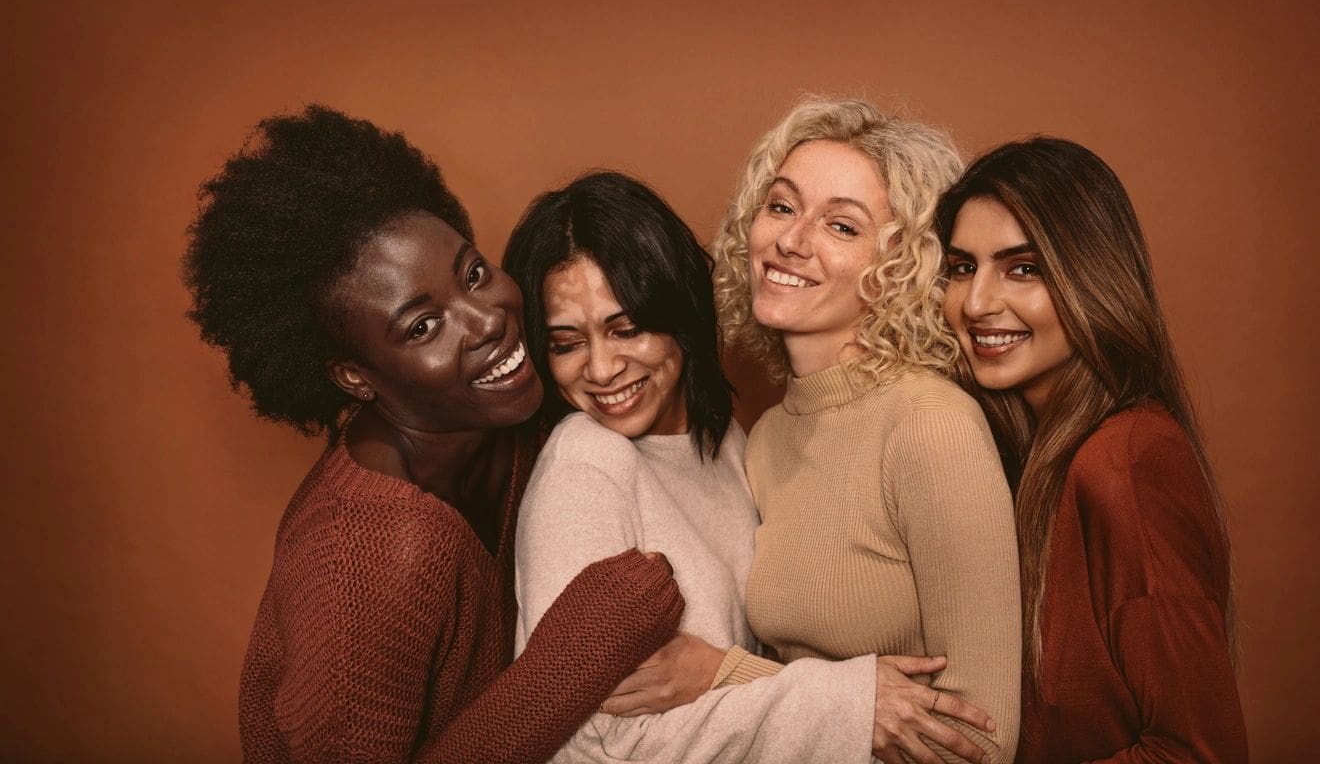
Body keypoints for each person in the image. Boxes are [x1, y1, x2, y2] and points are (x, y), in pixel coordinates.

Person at [182, 105, 684, 764]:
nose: (485, 321)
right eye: (422, 327)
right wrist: (569, 659)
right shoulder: (372, 557)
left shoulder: (513, 420)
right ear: (356, 378)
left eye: (472, 274)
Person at [503, 171, 996, 764]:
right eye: (566, 343)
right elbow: (597, 743)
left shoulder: (734, 446)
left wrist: (731, 674)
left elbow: (730, 677)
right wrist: (849, 703)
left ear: (679, 311)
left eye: (626, 328)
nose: (603, 369)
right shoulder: (585, 461)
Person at [713, 98, 1022, 764]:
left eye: (841, 226)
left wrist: (719, 675)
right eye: (781, 206)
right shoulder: (766, 437)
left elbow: (979, 742)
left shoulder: (929, 427)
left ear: (902, 265)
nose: (791, 241)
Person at [935, 137, 1247, 763]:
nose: (975, 304)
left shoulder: (1126, 461)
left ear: (1092, 278)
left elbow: (1197, 753)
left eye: (1023, 269)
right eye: (963, 267)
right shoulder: (1031, 453)